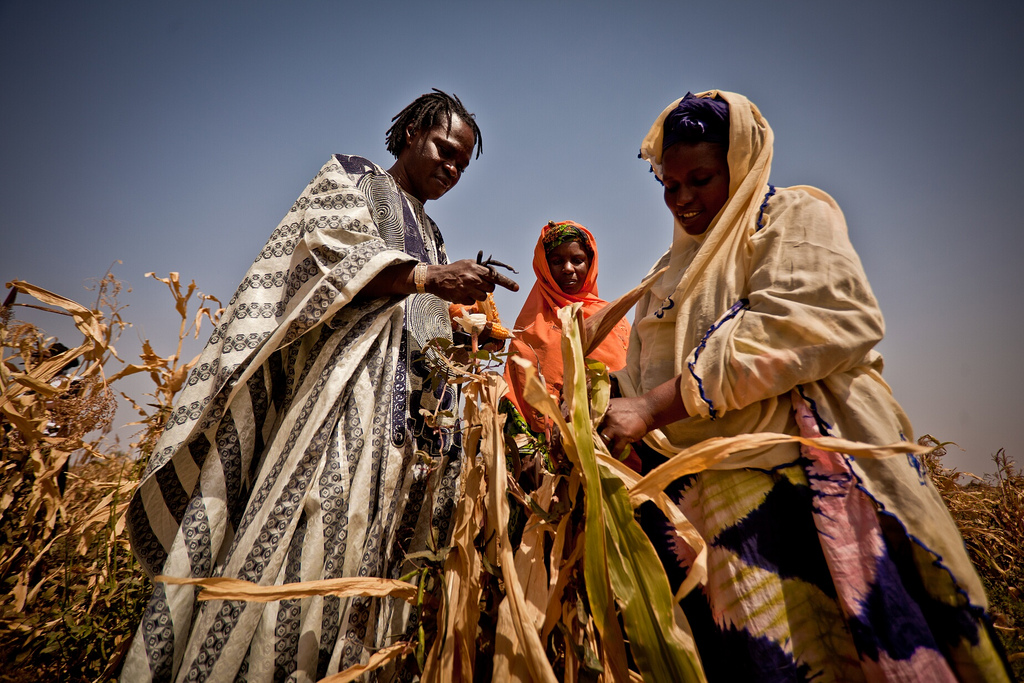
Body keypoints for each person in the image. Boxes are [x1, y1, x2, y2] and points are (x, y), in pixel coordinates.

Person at [599, 92, 1011, 681]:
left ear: (740, 165)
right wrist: (602, 400)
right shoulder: (668, 274)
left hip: (806, 491)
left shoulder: (791, 217)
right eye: (670, 185)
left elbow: (812, 319)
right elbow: (642, 375)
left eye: (701, 179)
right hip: (712, 514)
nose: (683, 199)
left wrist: (650, 406)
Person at [122, 89, 518, 682]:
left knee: (367, 568)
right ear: (411, 132)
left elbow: (414, 319)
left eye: (462, 163)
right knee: (306, 543)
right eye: (444, 149)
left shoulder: (431, 232)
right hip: (334, 415)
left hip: (399, 438)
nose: (451, 168)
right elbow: (327, 261)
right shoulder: (352, 180)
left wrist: (466, 340)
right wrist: (429, 276)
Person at [503, 220, 630, 434]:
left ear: (590, 264)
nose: (568, 269)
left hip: (609, 441)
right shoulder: (530, 322)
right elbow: (517, 391)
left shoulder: (613, 319)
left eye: (577, 260)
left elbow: (632, 379)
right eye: (556, 261)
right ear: (544, 267)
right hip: (543, 449)